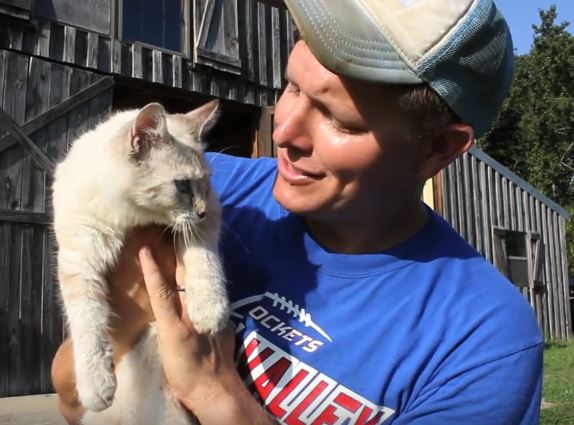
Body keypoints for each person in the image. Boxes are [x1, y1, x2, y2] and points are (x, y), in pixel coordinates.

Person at [52, 0, 543, 424]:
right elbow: (71, 393)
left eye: (337, 118)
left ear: (438, 148)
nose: (285, 131)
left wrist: (216, 393)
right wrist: (124, 322)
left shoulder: (481, 344)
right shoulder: (214, 185)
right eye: (291, 87)